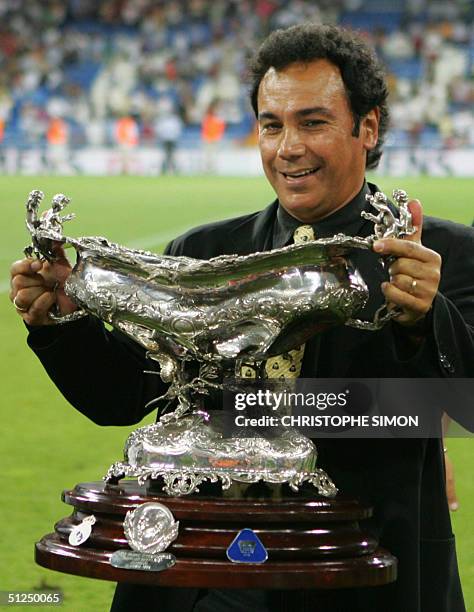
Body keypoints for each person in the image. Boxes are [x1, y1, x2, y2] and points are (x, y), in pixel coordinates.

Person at [10, 24, 474, 612]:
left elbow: (466, 406)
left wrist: (425, 319)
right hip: (199, 575)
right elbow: (122, 396)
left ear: (369, 127)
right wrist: (64, 323)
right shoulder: (203, 251)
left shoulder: (440, 256)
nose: (288, 148)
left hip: (363, 575)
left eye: (313, 122)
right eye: (271, 124)